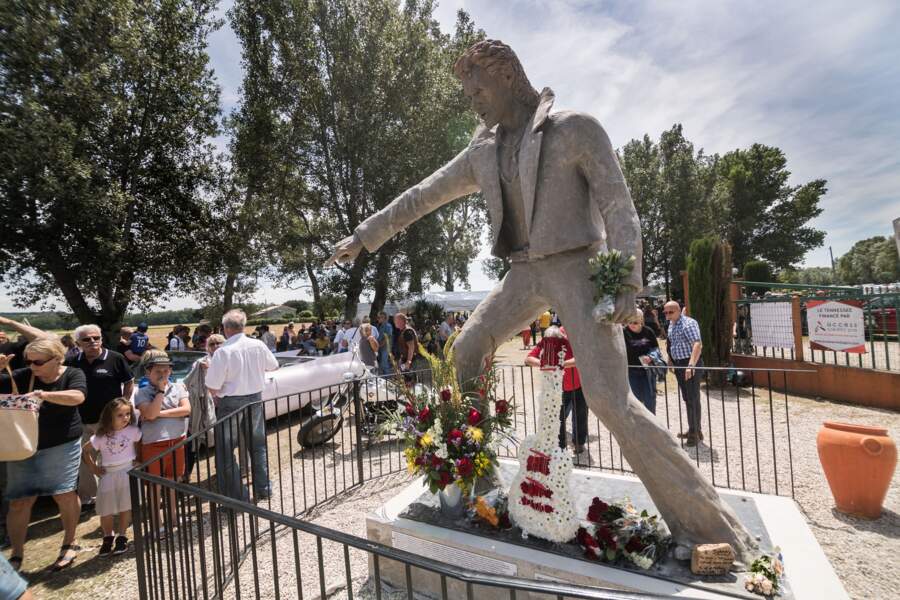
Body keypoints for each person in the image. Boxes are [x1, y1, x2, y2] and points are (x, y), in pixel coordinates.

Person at [325, 39, 755, 556]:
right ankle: (473, 474)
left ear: (508, 77)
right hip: (523, 274)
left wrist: (625, 285)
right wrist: (365, 235)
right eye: (468, 92)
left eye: (478, 87)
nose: (473, 100)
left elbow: (620, 207)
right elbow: (422, 195)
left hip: (579, 267)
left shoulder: (575, 128)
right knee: (465, 351)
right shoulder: (481, 150)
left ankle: (709, 526)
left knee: (608, 400)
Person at [0, 339, 86, 572]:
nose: (32, 366)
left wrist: (44, 395)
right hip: (23, 446)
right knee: (19, 501)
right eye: (28, 361)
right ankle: (17, 554)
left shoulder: (73, 374)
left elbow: (78, 397)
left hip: (62, 444)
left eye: (38, 361)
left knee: (65, 494)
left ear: (57, 358)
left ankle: (70, 542)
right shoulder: (24, 374)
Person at [206, 309, 278, 501]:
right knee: (258, 445)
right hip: (254, 397)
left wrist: (219, 397)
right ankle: (263, 489)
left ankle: (237, 496)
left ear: (226, 328)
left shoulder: (223, 352)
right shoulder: (258, 345)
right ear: (243, 326)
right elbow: (273, 365)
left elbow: (212, 385)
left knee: (226, 449)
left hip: (231, 401)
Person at [66, 324, 135, 508]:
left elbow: (129, 382)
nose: (92, 342)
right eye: (87, 339)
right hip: (80, 420)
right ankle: (88, 498)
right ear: (78, 342)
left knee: (112, 459)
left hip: (108, 421)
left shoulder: (115, 358)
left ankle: (115, 495)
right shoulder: (72, 361)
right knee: (84, 458)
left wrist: (123, 405)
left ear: (101, 339)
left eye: (96, 338)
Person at [133, 351, 191, 529]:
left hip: (177, 441)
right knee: (154, 485)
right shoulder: (142, 392)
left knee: (173, 481)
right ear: (148, 372)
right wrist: (160, 391)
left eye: (166, 371)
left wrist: (158, 414)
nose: (163, 375)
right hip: (154, 444)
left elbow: (186, 410)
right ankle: (157, 523)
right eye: (158, 371)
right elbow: (148, 414)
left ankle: (173, 516)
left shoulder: (179, 387)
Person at [81, 398, 141, 556]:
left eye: (128, 414)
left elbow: (139, 444)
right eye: (120, 415)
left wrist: (138, 459)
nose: (125, 418)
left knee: (125, 507)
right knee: (106, 510)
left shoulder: (133, 431)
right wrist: (94, 468)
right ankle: (108, 537)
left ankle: (122, 536)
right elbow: (85, 450)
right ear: (109, 416)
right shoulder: (101, 436)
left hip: (127, 472)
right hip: (108, 474)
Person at [525, 325, 588, 454]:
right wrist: (543, 363)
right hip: (557, 389)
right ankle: (560, 447)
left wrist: (560, 364)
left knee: (580, 415)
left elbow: (580, 358)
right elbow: (528, 359)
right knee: (558, 418)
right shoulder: (548, 339)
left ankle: (579, 443)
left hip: (578, 385)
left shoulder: (570, 334)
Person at [181, 334, 222, 481]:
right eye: (212, 344)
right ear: (207, 347)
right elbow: (191, 382)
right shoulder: (200, 363)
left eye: (219, 343)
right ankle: (185, 475)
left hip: (222, 406)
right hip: (204, 408)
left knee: (221, 441)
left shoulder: (228, 360)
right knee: (193, 443)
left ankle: (222, 470)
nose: (216, 346)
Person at [664, 300, 704, 445]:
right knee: (688, 398)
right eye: (666, 312)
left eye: (671, 312)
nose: (668, 315)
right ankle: (694, 428)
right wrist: (670, 359)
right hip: (679, 365)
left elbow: (697, 344)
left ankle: (695, 432)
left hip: (690, 363)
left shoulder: (689, 323)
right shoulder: (671, 324)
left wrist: (691, 365)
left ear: (679, 310)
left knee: (693, 398)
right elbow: (672, 343)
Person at [622, 310, 659, 414]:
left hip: (648, 372)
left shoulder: (648, 331)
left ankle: (652, 426)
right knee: (635, 401)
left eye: (635, 322)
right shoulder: (623, 333)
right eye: (630, 322)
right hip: (631, 371)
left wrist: (650, 357)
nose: (632, 325)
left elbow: (656, 349)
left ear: (641, 321)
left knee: (650, 400)